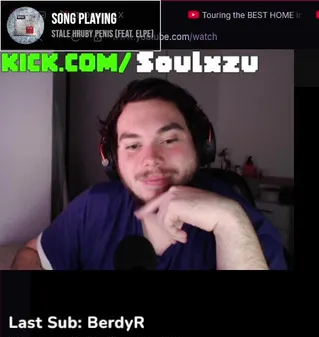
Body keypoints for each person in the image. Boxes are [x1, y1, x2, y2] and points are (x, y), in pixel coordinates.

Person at [10, 78, 286, 270]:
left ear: (201, 145)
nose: (151, 159)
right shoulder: (93, 207)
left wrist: (229, 223)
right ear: (112, 159)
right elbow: (32, 253)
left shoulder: (241, 222)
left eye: (169, 140)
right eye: (133, 145)